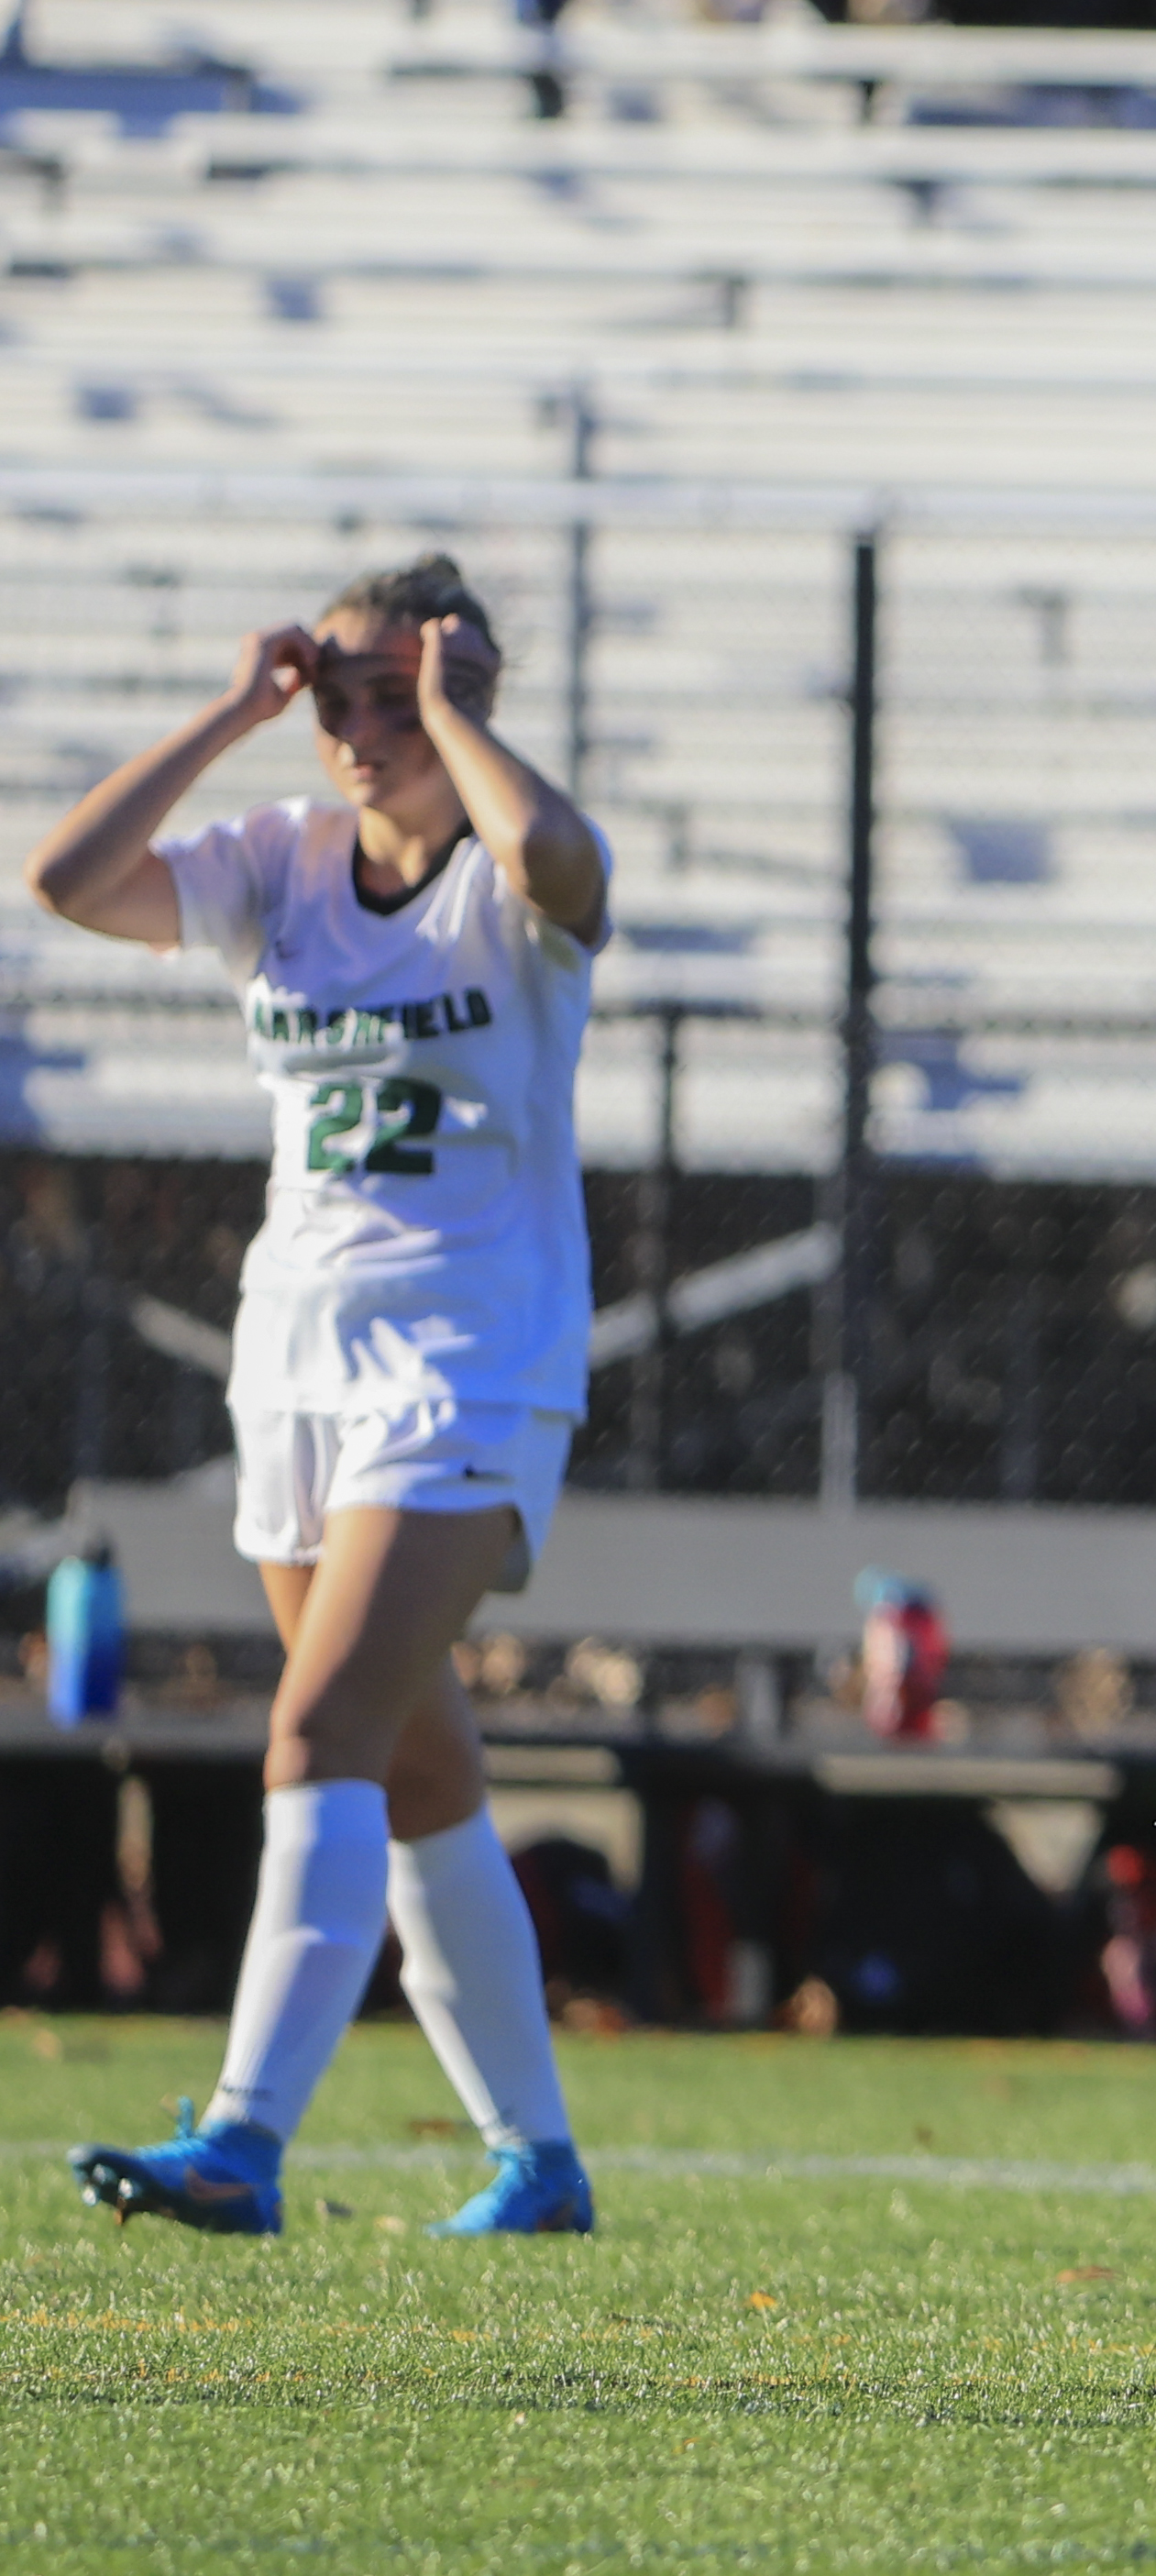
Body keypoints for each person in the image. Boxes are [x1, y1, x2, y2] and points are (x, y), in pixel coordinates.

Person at [33, 556, 606, 2240]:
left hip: (467, 1358)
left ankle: (241, 2137)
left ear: (462, 695)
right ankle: (541, 2160)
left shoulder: (508, 878)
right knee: (417, 1773)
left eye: (397, 693)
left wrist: (443, 705)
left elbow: (568, 863)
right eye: (339, 691)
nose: (360, 725)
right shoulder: (278, 859)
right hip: (294, 1360)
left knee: (318, 1731)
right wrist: (234, 708)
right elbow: (68, 878)